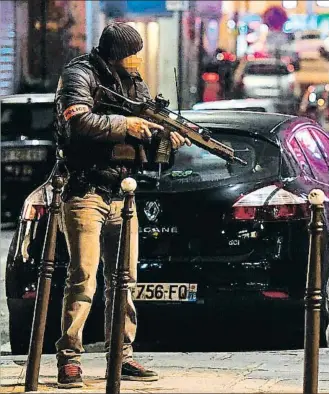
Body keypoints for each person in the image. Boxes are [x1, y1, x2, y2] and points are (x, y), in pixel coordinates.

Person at [53, 22, 191, 388]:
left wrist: (166, 137)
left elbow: (148, 126)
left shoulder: (133, 82)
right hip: (85, 190)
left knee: (125, 281)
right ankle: (70, 359)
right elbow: (78, 119)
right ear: (114, 54)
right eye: (130, 54)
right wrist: (126, 124)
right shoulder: (79, 73)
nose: (136, 61)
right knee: (83, 278)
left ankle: (121, 355)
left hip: (122, 193)